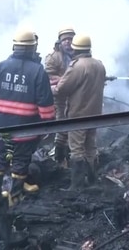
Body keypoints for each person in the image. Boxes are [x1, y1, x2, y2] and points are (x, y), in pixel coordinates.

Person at [0, 29, 55, 208]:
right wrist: (47, 126)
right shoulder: (38, 71)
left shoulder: (0, 67)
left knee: (0, 158)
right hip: (26, 128)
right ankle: (14, 197)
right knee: (21, 160)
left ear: (14, 46)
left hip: (3, 127)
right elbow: (45, 104)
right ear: (33, 48)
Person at [51, 35, 106, 190]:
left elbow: (62, 89)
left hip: (78, 115)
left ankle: (76, 185)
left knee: (76, 149)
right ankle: (93, 181)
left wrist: (50, 88)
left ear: (75, 48)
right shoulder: (99, 65)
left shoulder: (77, 66)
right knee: (90, 147)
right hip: (95, 114)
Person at [45, 27, 76, 168]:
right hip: (60, 97)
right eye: (65, 39)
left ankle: (70, 155)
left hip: (75, 96)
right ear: (60, 41)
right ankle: (60, 157)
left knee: (75, 125)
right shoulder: (53, 57)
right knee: (62, 124)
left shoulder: (77, 54)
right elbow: (48, 76)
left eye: (70, 39)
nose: (68, 42)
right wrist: (66, 79)